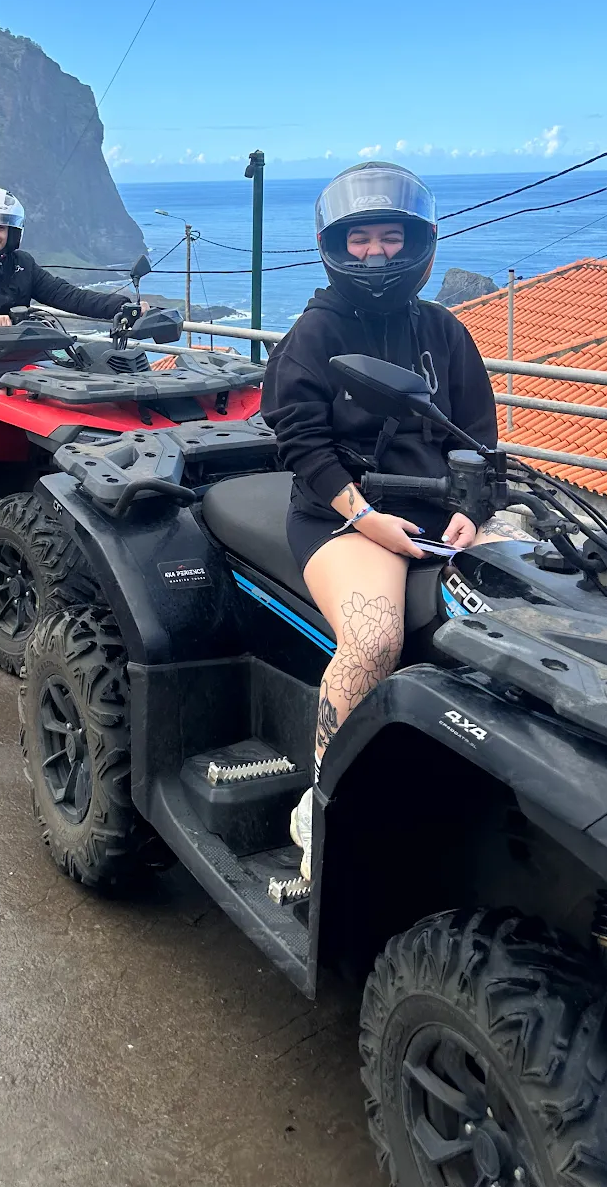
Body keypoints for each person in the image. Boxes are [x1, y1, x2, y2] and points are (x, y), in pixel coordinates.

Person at [260, 161, 497, 879]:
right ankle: (322, 801)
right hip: (341, 515)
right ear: (336, 244)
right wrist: (366, 518)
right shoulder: (314, 332)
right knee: (372, 638)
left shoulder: (442, 330)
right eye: (360, 239)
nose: (376, 253)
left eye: (389, 237)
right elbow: (300, 442)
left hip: (434, 513)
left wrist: (471, 512)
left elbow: (477, 440)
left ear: (415, 242)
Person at [0, 187, 134, 407]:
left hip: (26, 354)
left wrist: (122, 307)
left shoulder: (23, 264)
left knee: (73, 403)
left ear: (12, 232)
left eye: (1, 228)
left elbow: (67, 295)